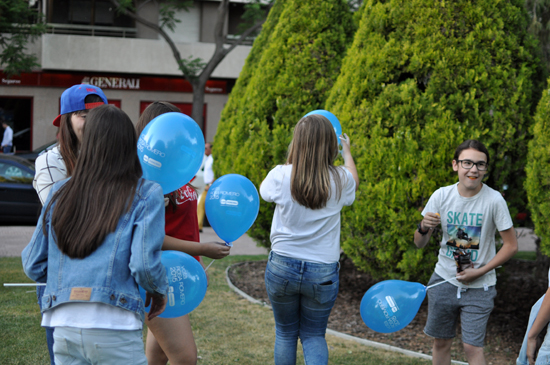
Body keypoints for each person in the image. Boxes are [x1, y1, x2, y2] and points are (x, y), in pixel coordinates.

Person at [21, 104, 169, 365]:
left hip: (63, 324)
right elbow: (143, 264)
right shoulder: (146, 192)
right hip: (115, 324)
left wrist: (71, 278)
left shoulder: (58, 192)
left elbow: (33, 264)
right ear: (129, 144)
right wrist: (159, 290)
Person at [136, 101, 230, 365]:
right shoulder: (145, 180)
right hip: (156, 276)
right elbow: (149, 239)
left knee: (157, 355)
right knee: (185, 357)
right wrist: (202, 249)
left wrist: (195, 265)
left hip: (176, 273)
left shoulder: (176, 171)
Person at [259, 114, 359, 365]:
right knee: (314, 335)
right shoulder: (341, 179)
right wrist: (347, 154)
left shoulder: (280, 175)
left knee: (285, 333)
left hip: (282, 265)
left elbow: (264, 194)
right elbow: (354, 182)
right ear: (330, 145)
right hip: (322, 271)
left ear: (297, 142)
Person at [414, 139, 518, 365]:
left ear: (485, 169)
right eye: (467, 163)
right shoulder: (441, 196)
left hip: (480, 287)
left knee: (472, 347)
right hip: (443, 281)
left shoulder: (494, 200)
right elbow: (420, 243)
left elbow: (511, 245)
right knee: (440, 342)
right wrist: (423, 227)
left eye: (480, 165)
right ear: (455, 165)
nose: (474, 169)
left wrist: (480, 272)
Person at [29, 83, 107, 364]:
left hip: (107, 274)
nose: (91, 122)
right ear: (66, 120)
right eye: (83, 115)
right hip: (62, 276)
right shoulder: (50, 160)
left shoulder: (116, 159)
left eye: (98, 115)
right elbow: (66, 216)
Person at [197, 142, 214, 231]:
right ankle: (198, 226)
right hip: (207, 186)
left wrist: (210, 184)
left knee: (201, 205)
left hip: (210, 186)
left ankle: (199, 226)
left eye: (205, 148)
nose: (204, 150)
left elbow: (216, 172)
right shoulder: (208, 159)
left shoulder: (213, 159)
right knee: (201, 205)